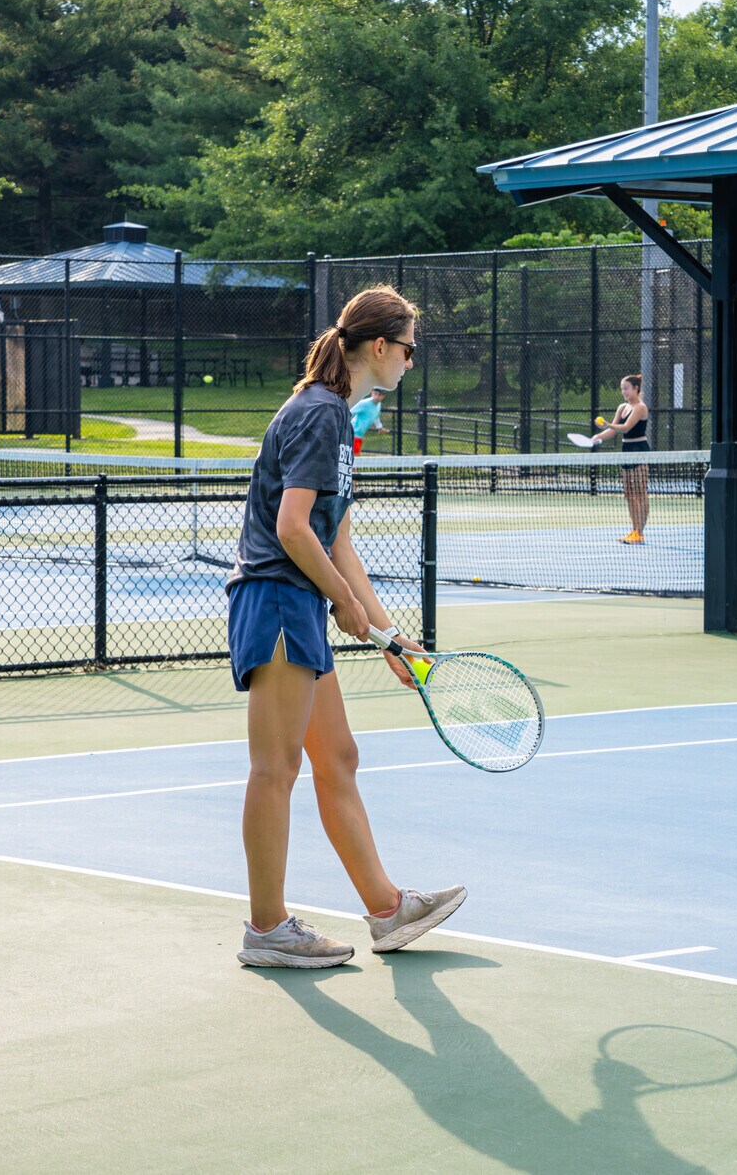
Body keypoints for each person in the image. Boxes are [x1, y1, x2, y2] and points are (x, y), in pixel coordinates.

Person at [227, 285, 464, 968]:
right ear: (380, 346)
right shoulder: (320, 414)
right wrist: (343, 604)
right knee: (276, 768)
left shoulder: (342, 423)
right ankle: (267, 929)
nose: (412, 362)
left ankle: (388, 910)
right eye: (410, 348)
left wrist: (391, 635)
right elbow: (292, 528)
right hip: (275, 599)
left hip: (298, 603)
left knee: (338, 758)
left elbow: (340, 542)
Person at [590, 373, 650, 544]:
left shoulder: (640, 407)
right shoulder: (621, 407)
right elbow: (613, 431)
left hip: (639, 449)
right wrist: (598, 437)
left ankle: (640, 532)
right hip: (626, 449)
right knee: (629, 493)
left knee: (640, 492)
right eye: (622, 389)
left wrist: (608, 424)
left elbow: (625, 427)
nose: (623, 392)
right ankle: (634, 530)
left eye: (626, 388)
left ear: (635, 388)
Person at [349, 385, 387, 455]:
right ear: (371, 393)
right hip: (353, 433)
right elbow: (350, 412)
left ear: (383, 396)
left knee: (354, 457)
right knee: (355, 457)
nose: (377, 396)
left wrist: (380, 428)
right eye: (375, 393)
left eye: (379, 394)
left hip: (359, 435)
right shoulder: (364, 403)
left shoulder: (379, 405)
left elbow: (376, 417)